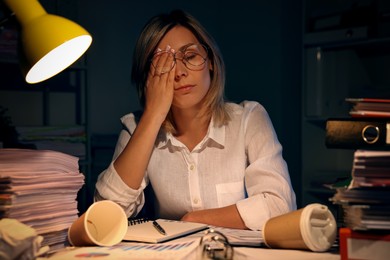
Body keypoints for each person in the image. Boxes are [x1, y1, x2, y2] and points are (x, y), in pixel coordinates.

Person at [95, 9, 296, 231]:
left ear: (210, 61)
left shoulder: (250, 118)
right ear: (148, 78)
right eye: (164, 64)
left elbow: (279, 205)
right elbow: (105, 214)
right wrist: (153, 115)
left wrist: (193, 219)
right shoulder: (136, 127)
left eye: (190, 56)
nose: (179, 72)